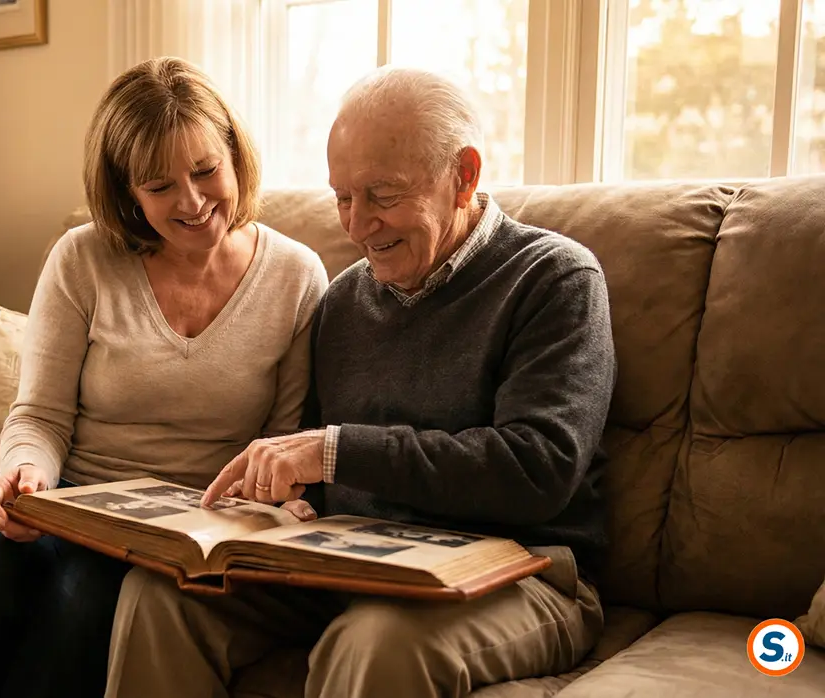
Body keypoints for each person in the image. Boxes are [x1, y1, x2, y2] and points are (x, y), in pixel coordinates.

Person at [103, 67, 616, 698]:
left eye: (382, 194)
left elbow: (539, 470)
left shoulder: (554, 279)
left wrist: (333, 451)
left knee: (376, 637)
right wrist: (284, 505)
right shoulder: (344, 302)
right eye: (343, 197)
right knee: (161, 595)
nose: (356, 224)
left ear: (464, 177)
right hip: (354, 563)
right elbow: (308, 462)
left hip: (519, 572)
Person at [0, 57, 329, 698]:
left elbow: (280, 439)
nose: (191, 201)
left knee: (81, 607)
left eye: (207, 170)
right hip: (64, 493)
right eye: (159, 186)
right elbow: (39, 416)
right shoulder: (83, 258)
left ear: (236, 156)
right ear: (128, 191)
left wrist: (262, 506)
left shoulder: (297, 277)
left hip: (184, 523)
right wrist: (27, 474)